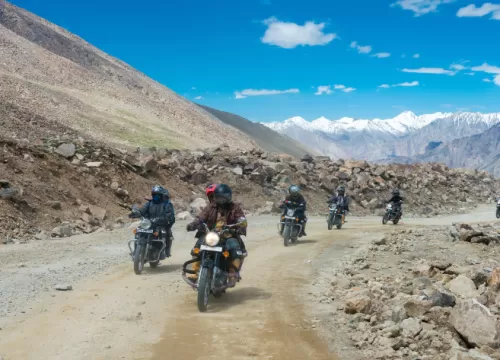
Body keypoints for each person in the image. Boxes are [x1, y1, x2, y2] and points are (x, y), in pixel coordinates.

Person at [186, 184, 248, 284]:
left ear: (228, 197)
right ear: (215, 197)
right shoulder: (211, 206)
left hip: (228, 235)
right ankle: (195, 272)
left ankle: (232, 274)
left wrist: (241, 227)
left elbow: (241, 220)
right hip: (211, 235)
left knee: (236, 250)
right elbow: (201, 217)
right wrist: (194, 224)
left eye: (224, 197)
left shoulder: (235, 208)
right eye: (219, 197)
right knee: (197, 249)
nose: (221, 200)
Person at [129, 185, 175, 258]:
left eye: (157, 195)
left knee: (165, 232)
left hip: (160, 225)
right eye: (154, 194)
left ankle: (165, 251)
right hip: (149, 224)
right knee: (138, 231)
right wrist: (136, 213)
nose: (155, 196)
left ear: (161, 195)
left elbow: (169, 216)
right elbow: (142, 210)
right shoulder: (149, 203)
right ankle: (136, 251)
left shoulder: (166, 205)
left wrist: (159, 219)